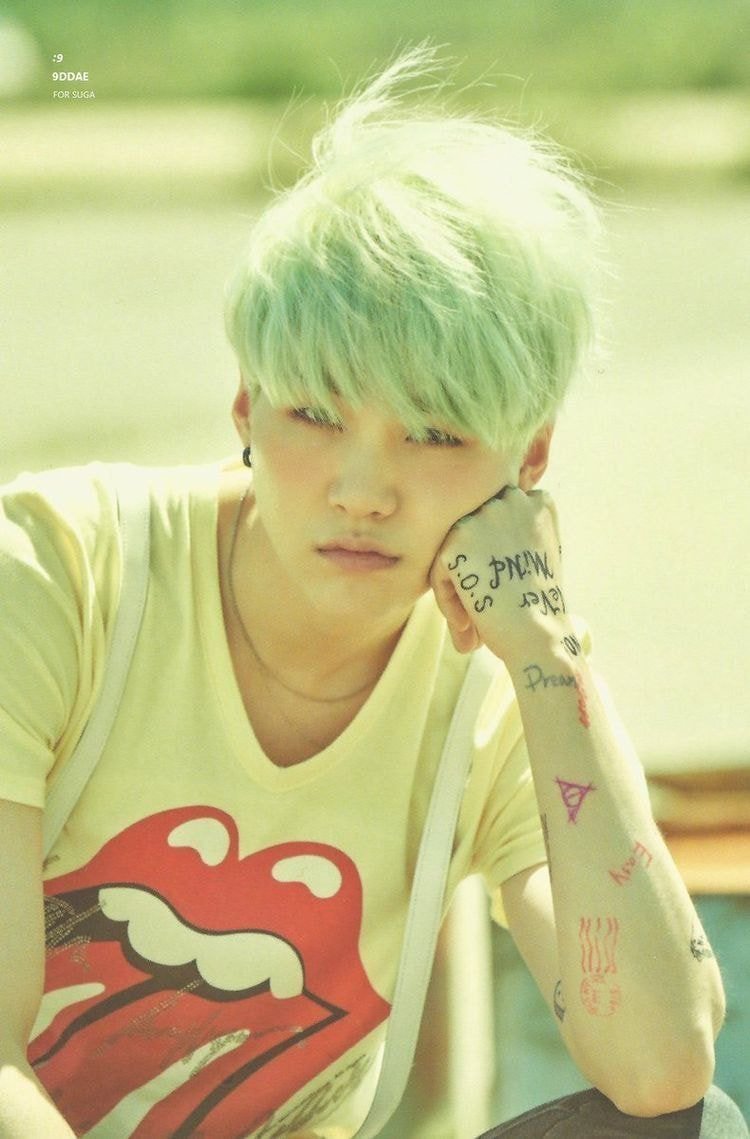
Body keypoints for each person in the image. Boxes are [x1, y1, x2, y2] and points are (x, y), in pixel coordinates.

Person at [0, 46, 744, 1139]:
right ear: (246, 404)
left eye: (435, 434)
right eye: (316, 414)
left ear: (528, 457)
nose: (362, 490)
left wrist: (548, 652)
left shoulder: (497, 692)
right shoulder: (61, 571)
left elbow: (660, 1063)